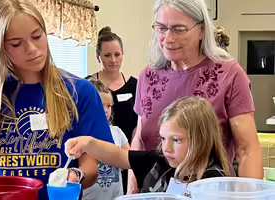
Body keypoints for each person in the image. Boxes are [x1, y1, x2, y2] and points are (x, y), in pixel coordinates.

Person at [0, 0, 114, 200]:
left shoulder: (81, 92)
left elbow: (90, 167)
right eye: (16, 43)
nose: (32, 48)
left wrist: (76, 176)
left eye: (37, 36)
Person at [129, 0, 263, 193]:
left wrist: (248, 197)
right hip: (155, 193)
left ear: (202, 30)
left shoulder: (229, 74)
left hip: (210, 192)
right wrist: (132, 194)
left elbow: (247, 149)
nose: (168, 38)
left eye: (179, 29)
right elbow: (139, 142)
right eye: (161, 28)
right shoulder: (148, 77)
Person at [65, 97, 232, 196]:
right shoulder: (160, 162)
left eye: (176, 140)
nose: (166, 148)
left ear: (201, 139)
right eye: (163, 138)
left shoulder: (214, 181)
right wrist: (88, 143)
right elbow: (120, 156)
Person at [86, 26, 138, 193]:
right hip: (96, 162)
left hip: (125, 155)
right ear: (98, 57)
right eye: (107, 56)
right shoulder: (87, 86)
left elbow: (139, 123)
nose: (113, 60)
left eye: (117, 54)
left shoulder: (135, 85)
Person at [81, 78, 130, 200]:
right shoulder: (80, 134)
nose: (105, 110)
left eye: (109, 106)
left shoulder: (117, 132)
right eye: (100, 105)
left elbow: (128, 160)